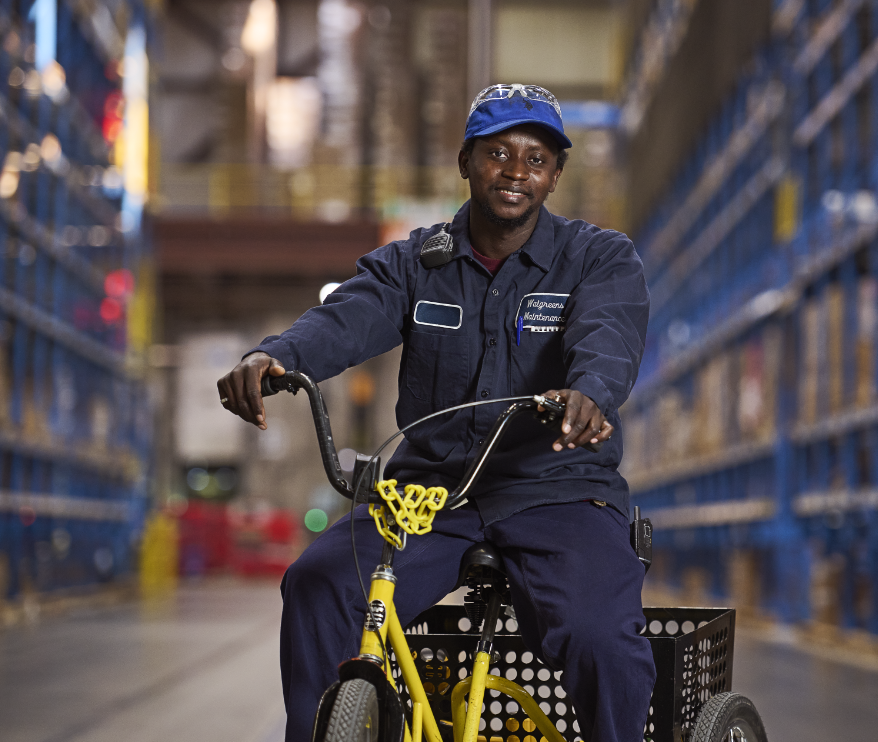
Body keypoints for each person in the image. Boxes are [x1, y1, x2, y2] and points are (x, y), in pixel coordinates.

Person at [218, 83, 654, 742]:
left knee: (600, 637)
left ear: (556, 174)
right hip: (429, 495)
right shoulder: (416, 264)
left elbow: (608, 335)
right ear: (465, 162)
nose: (516, 171)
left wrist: (591, 391)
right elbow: (346, 318)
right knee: (316, 584)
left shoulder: (598, 258)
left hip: (556, 491)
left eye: (535, 159)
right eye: (498, 153)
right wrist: (274, 357)